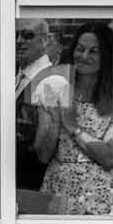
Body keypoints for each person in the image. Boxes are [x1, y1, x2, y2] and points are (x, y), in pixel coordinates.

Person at [42, 25, 113, 216]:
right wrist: (52, 123)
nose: (84, 56)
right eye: (80, 48)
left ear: (107, 55)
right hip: (58, 188)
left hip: (99, 196)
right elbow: (43, 155)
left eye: (94, 51)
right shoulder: (56, 85)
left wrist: (73, 127)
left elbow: (110, 158)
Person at [13, 18, 71, 214]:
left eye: (27, 35)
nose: (19, 40)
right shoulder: (15, 77)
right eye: (15, 35)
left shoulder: (53, 81)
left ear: (45, 40)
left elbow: (46, 148)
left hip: (35, 181)